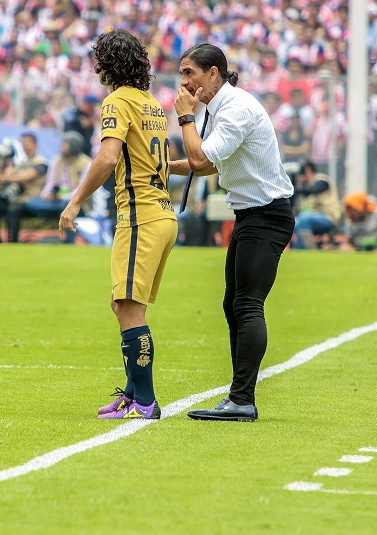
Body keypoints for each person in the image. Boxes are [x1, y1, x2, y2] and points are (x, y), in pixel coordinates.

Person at [170, 43, 295, 422]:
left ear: (213, 73)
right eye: (182, 74)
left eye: (189, 73)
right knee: (234, 305)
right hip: (251, 215)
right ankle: (239, 396)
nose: (184, 82)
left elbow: (200, 159)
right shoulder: (222, 106)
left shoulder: (235, 108)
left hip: (266, 216)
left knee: (247, 305)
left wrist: (186, 118)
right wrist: (162, 167)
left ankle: (242, 399)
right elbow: (210, 162)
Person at [59, 29, 177, 420]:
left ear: (106, 65)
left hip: (141, 214)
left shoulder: (118, 100)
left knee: (128, 308)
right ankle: (132, 394)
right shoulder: (151, 103)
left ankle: (146, 401)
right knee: (123, 304)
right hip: (162, 212)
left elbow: (109, 157)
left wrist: (76, 200)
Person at [0, 132, 48, 243]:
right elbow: (3, 179)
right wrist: (1, 168)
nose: (25, 146)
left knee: (13, 210)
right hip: (14, 199)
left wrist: (6, 177)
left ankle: (12, 242)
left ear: (35, 144)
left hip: (30, 200)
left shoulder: (41, 162)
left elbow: (26, 177)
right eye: (23, 143)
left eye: (27, 143)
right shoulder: (21, 163)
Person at [27, 131, 91, 243]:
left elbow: (82, 188)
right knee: (31, 202)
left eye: (65, 144)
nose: (61, 146)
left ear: (74, 145)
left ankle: (70, 242)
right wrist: (48, 195)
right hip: (55, 201)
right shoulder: (56, 161)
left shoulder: (86, 163)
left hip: (77, 204)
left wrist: (64, 197)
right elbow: (49, 185)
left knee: (65, 205)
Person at [291, 161, 341, 250]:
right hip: (311, 216)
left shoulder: (321, 180)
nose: (299, 176)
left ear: (308, 170)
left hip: (328, 217)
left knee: (304, 219)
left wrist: (296, 188)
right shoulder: (306, 186)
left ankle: (301, 250)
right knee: (293, 222)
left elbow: (314, 190)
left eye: (301, 173)